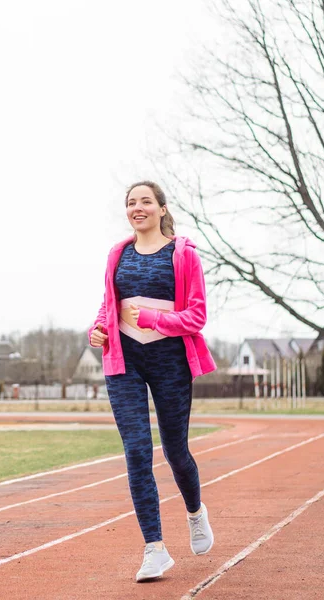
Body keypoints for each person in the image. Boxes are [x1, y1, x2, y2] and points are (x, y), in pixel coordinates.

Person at [89, 181, 217, 582]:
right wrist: (98, 328)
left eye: (145, 201)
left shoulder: (183, 255)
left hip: (171, 363)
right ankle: (154, 549)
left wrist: (152, 319)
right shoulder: (118, 253)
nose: (137, 208)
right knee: (137, 452)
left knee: (175, 451)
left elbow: (196, 317)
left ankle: (195, 512)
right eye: (131, 203)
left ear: (162, 209)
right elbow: (109, 305)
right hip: (124, 362)